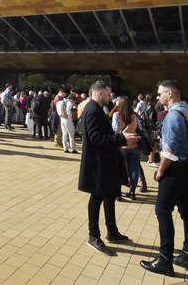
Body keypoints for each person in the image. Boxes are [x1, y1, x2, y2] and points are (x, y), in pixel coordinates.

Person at [141, 79, 188, 277]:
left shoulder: (173, 116)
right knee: (187, 213)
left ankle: (165, 259)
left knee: (163, 211)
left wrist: (160, 170)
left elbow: (170, 149)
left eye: (160, 93)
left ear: (170, 94)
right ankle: (187, 254)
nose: (158, 97)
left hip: (174, 170)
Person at [78, 80, 138, 256]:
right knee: (97, 197)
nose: (111, 96)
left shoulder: (98, 109)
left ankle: (112, 231)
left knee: (110, 195)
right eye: (109, 93)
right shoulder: (92, 110)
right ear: (100, 93)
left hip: (105, 162)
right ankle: (93, 236)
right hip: (98, 164)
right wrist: (121, 138)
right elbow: (96, 138)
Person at [112, 96, 141, 200]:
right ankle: (132, 192)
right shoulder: (134, 116)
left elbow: (115, 129)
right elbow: (139, 128)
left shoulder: (117, 115)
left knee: (119, 169)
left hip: (121, 145)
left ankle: (118, 193)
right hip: (134, 145)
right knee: (134, 169)